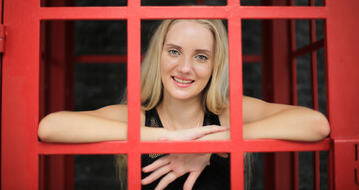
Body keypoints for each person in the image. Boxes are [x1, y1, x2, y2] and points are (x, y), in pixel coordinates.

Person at [38, 19, 330, 190]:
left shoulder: (227, 111)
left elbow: (315, 124)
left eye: (201, 56)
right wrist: (171, 139)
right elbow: (51, 127)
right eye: (174, 51)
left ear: (216, 64)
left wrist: (209, 144)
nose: (185, 68)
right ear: (159, 56)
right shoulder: (136, 117)